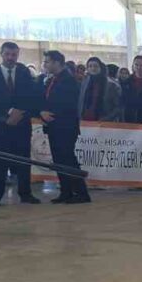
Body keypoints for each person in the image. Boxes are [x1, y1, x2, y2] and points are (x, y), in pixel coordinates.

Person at [0, 41, 42, 208]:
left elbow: (30, 96)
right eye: (7, 54)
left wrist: (19, 112)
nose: (10, 58)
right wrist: (9, 112)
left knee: (23, 160)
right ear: (1, 54)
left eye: (14, 54)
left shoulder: (24, 72)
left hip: (21, 123)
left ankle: (25, 193)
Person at [39, 51, 89, 204]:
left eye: (47, 62)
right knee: (59, 160)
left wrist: (50, 114)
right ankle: (66, 191)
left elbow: (67, 105)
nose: (45, 65)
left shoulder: (68, 80)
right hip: (54, 126)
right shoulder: (53, 79)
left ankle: (81, 192)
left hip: (65, 126)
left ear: (57, 63)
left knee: (68, 160)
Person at [80, 56, 122, 123]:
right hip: (85, 121)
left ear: (100, 68)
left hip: (104, 121)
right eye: (90, 66)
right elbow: (81, 102)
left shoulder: (111, 85)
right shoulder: (84, 82)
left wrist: (106, 119)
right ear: (87, 68)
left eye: (95, 66)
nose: (93, 68)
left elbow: (118, 107)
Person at [122, 55, 142, 123]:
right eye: (136, 65)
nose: (139, 67)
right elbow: (122, 102)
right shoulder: (126, 82)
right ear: (133, 66)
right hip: (129, 118)